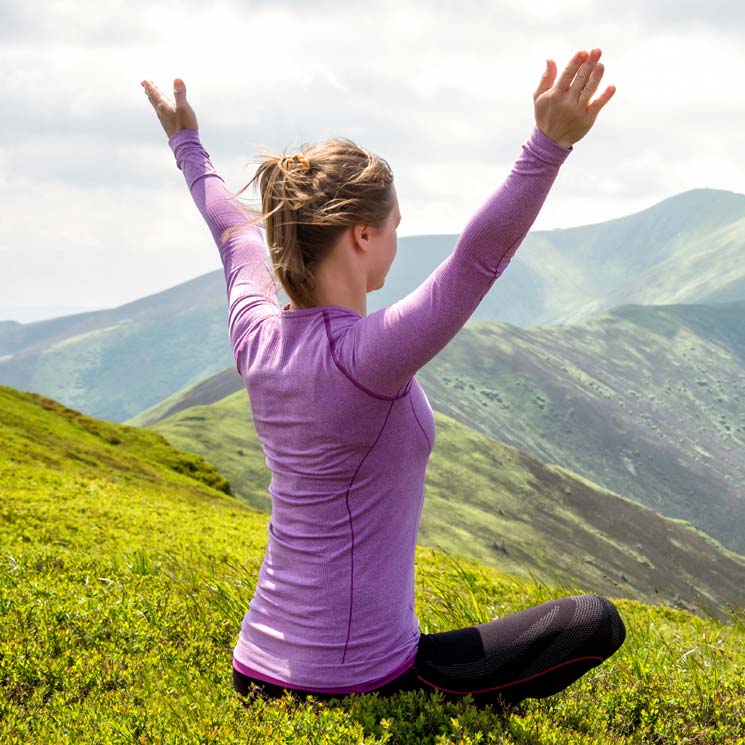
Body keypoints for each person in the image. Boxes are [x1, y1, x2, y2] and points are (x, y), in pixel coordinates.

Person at [141, 48, 625, 711]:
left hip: (252, 664)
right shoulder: (366, 357)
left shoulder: (255, 332)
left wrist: (186, 143)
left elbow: (233, 233)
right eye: (395, 227)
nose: (400, 241)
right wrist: (547, 146)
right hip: (358, 679)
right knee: (592, 620)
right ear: (362, 235)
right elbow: (477, 258)